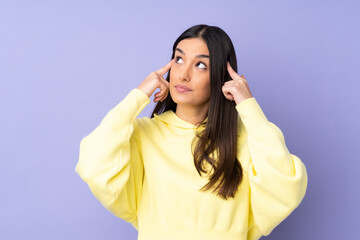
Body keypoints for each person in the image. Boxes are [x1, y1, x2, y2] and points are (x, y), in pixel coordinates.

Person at [75, 24, 308, 240]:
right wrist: (138, 95)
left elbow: (285, 187)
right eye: (178, 59)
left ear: (221, 77)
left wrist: (248, 106)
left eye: (200, 65)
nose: (183, 74)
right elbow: (93, 164)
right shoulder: (144, 135)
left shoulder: (247, 139)